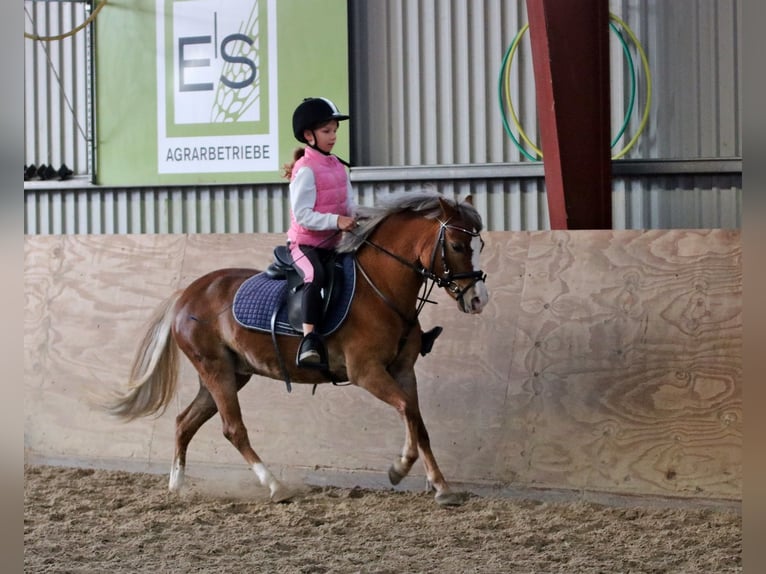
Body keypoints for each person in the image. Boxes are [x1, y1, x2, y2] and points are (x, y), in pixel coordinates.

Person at [282, 97, 357, 369]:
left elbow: (349, 205)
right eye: (327, 131)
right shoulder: (305, 170)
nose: (334, 137)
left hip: (335, 243)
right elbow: (302, 215)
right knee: (315, 276)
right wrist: (337, 221)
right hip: (306, 245)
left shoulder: (337, 166)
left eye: (335, 130)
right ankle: (309, 340)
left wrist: (362, 218)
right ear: (308, 135)